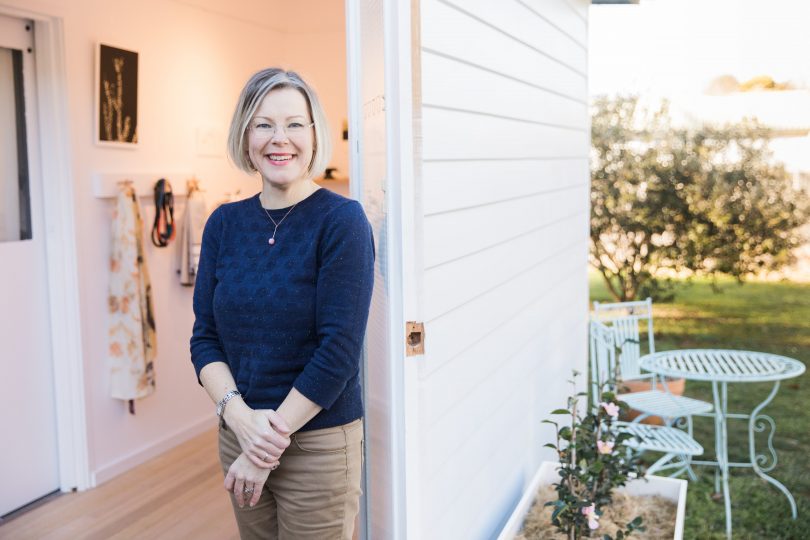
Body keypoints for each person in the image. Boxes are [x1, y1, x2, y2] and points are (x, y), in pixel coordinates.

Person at [190, 68, 375, 540]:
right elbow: (205, 338)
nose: (280, 139)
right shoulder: (224, 223)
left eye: (295, 123)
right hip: (238, 433)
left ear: (315, 135)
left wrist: (261, 446)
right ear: (245, 135)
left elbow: (338, 351)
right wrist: (238, 420)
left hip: (317, 447)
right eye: (263, 124)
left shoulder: (342, 221)